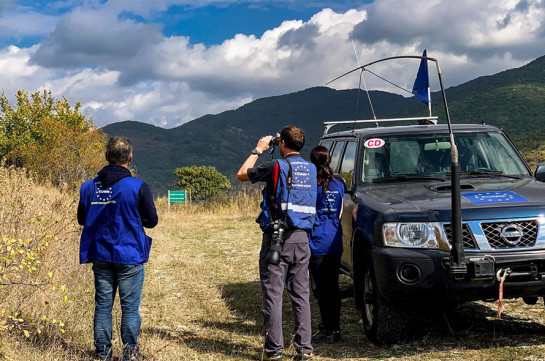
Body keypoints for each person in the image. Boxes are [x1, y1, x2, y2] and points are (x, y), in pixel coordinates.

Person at [237, 126, 317, 361]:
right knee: (301, 295)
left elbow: (242, 174)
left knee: (273, 295)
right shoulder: (311, 168)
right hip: (302, 238)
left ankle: (273, 352)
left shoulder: (276, 166)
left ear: (282, 144)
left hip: (277, 238)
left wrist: (258, 149)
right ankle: (304, 350)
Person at [78, 136, 158, 361]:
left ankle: (102, 353)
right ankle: (130, 354)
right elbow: (151, 221)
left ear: (106, 156)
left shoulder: (88, 187)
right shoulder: (138, 187)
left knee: (103, 306)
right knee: (130, 309)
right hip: (130, 255)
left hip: (101, 255)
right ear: (130, 158)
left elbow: (82, 218)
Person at [308, 145, 344, 344]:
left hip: (316, 241)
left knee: (321, 288)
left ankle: (327, 327)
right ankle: (336, 328)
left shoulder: (312, 185)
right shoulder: (338, 184)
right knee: (334, 287)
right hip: (335, 240)